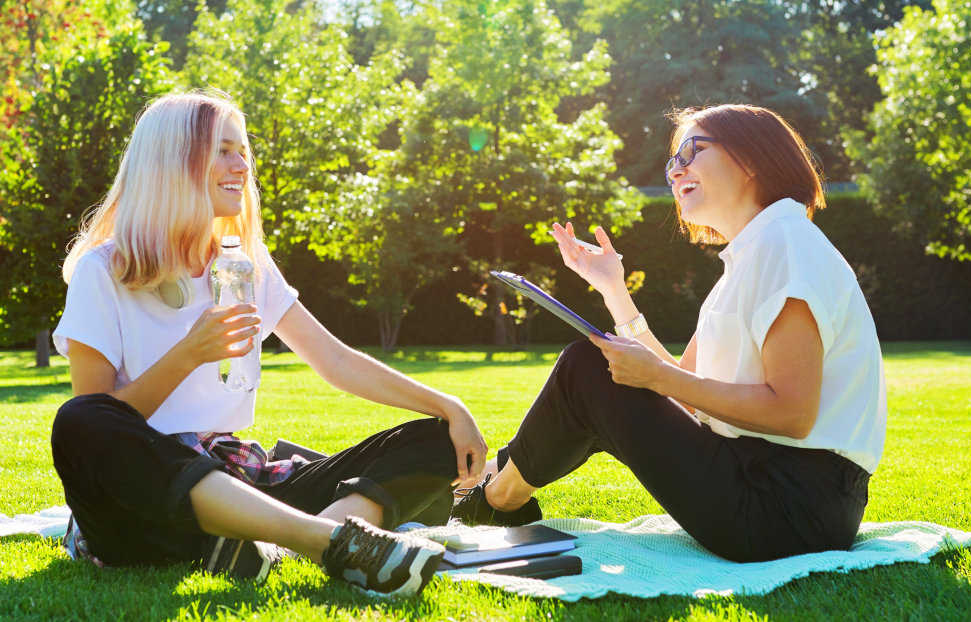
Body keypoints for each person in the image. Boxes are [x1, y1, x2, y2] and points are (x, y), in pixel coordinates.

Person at [49, 89, 487, 597]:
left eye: (242, 152)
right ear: (171, 160)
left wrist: (449, 407)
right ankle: (325, 540)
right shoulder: (102, 271)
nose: (241, 165)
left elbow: (334, 360)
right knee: (78, 421)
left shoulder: (243, 263)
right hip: (147, 488)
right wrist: (190, 353)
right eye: (222, 150)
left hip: (242, 481)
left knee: (432, 440)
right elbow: (103, 421)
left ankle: (279, 542)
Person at [452, 104, 886, 563]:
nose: (676, 171)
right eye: (671, 163)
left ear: (752, 158)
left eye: (691, 152)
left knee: (586, 368)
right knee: (602, 377)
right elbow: (685, 389)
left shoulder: (786, 245)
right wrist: (613, 289)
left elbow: (792, 412)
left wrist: (656, 378)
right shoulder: (756, 254)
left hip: (786, 508)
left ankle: (495, 499)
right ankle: (497, 487)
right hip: (772, 490)